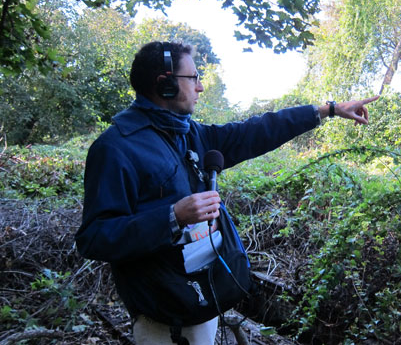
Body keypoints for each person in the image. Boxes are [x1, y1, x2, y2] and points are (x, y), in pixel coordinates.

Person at [75, 41, 378, 345]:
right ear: (164, 85)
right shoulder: (115, 148)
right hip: (164, 316)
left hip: (200, 298)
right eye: (193, 78)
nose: (201, 87)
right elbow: (95, 238)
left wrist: (330, 110)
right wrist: (173, 217)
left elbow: (257, 131)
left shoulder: (190, 134)